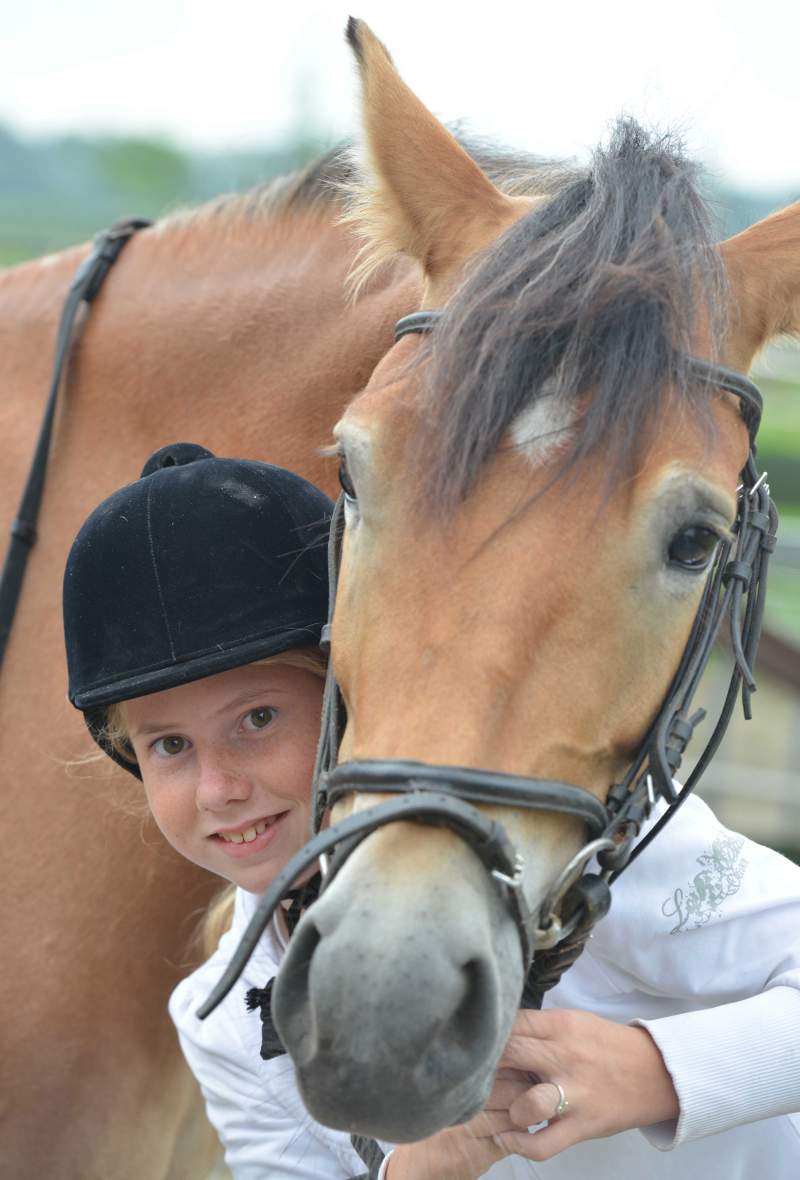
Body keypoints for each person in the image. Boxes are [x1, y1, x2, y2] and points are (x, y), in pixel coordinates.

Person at [63, 444, 800, 1180]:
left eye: (257, 719)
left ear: (353, 702)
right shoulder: (218, 1021)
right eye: (169, 747)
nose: (217, 787)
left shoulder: (597, 846)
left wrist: (650, 1071)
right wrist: (416, 1170)